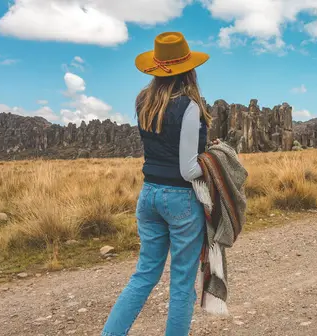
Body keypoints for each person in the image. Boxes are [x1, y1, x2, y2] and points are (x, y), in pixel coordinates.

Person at [101, 32, 212, 336]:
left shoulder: (143, 101)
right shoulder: (189, 106)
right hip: (180, 200)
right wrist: (215, 172)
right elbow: (189, 169)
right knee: (181, 282)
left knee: (144, 274)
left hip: (148, 196)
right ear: (188, 68)